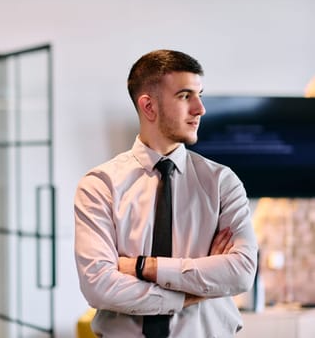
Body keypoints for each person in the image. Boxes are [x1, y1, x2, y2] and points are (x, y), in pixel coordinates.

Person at [74, 50, 258, 338]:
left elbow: (241, 272)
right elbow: (99, 287)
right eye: (185, 96)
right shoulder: (100, 185)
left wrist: (142, 267)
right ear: (148, 106)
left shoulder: (222, 182)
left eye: (199, 95)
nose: (200, 108)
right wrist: (193, 291)